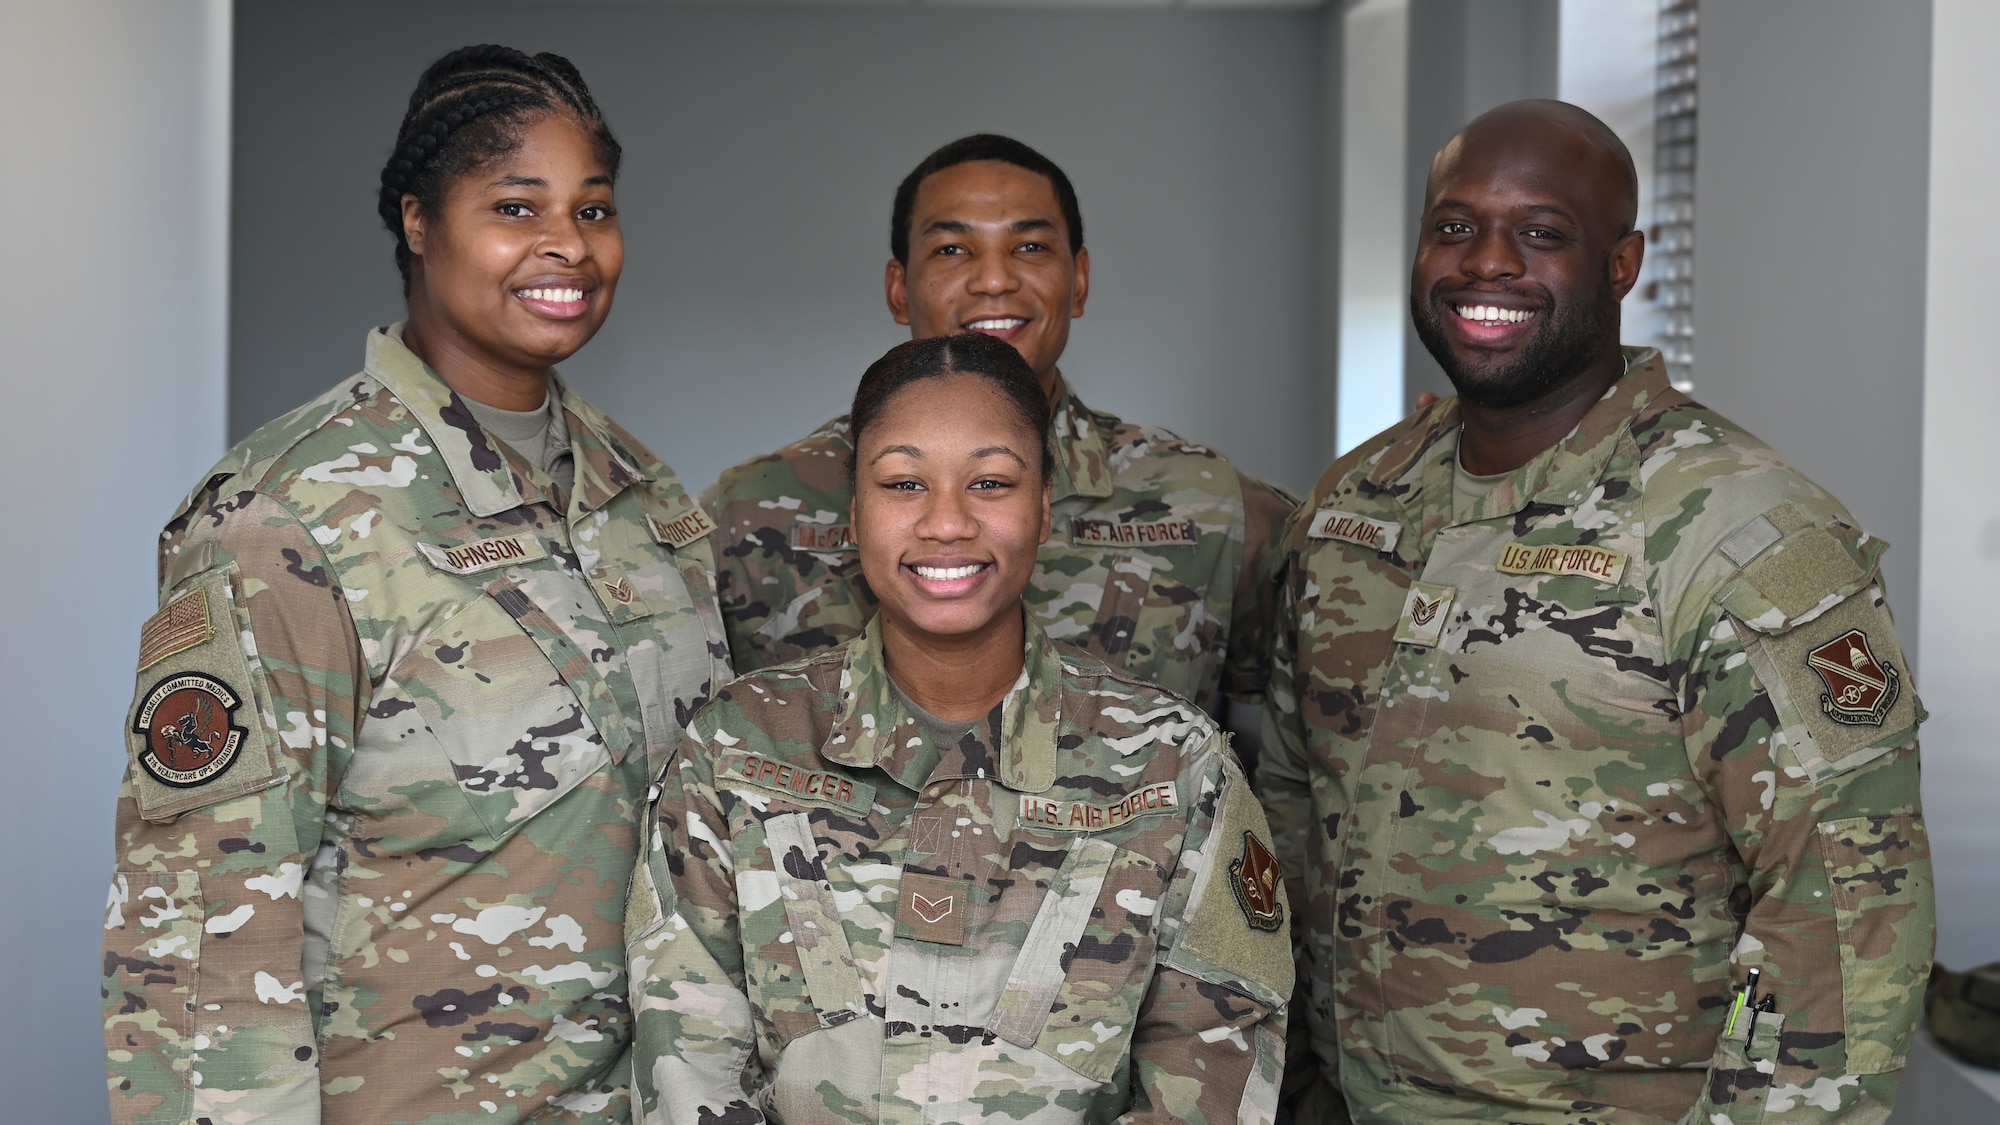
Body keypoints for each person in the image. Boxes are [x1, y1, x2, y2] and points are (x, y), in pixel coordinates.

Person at [1257, 100, 1933, 1123]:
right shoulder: (1357, 499)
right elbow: (1292, 801)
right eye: (1453, 227)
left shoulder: (1739, 526)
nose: (1486, 263)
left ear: (1621, 265)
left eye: (1540, 233)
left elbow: (1847, 904)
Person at [102, 46, 731, 1123]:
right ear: (418, 221)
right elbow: (199, 939)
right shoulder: (284, 515)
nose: (565, 248)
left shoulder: (643, 493)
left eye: (593, 210)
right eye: (515, 207)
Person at [627, 333, 1294, 1124]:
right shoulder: (733, 751)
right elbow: (688, 1065)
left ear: (1043, 507)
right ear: (855, 511)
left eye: (990, 481)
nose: (947, 521)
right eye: (905, 482)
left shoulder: (1174, 769)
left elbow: (1210, 1062)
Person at [703, 134, 1296, 728]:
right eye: (953, 250)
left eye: (1031, 246)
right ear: (899, 288)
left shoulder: (1209, 502)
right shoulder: (751, 511)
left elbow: (1299, 749)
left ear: (1079, 279)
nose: (994, 280)